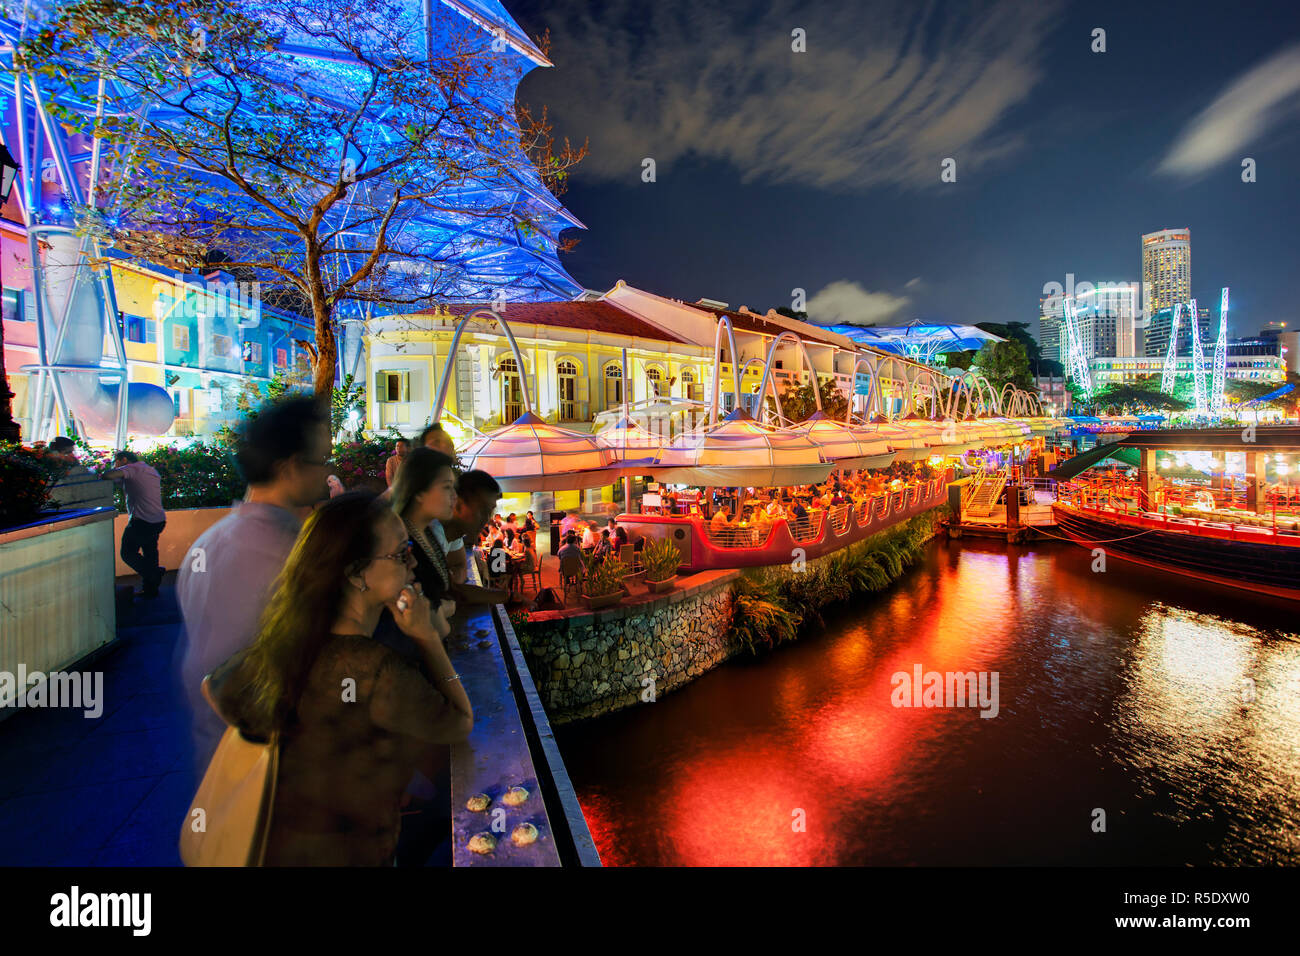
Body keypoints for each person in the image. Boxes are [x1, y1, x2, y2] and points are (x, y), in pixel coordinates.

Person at [205, 492, 471, 866]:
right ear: (357, 573)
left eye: (409, 548)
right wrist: (427, 637)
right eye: (399, 554)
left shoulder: (287, 640)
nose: (412, 561)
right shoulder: (374, 669)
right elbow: (459, 722)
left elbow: (214, 686)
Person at [177, 395, 332, 774]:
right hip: (271, 764)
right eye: (322, 459)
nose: (328, 471)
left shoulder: (213, 541)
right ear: (291, 467)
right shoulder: (282, 551)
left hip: (225, 757)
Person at [102, 451, 167, 598]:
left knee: (127, 553)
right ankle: (150, 590)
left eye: (116, 462)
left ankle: (154, 573)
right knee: (150, 553)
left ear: (124, 459)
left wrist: (113, 470)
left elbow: (108, 476)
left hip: (141, 521)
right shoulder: (149, 469)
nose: (115, 465)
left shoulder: (133, 468)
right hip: (158, 520)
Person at [440, 470, 509, 605]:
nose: (487, 520)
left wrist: (454, 586)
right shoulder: (435, 533)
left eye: (490, 512)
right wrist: (507, 596)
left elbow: (460, 568)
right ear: (458, 504)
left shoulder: (455, 536)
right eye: (483, 510)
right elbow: (449, 593)